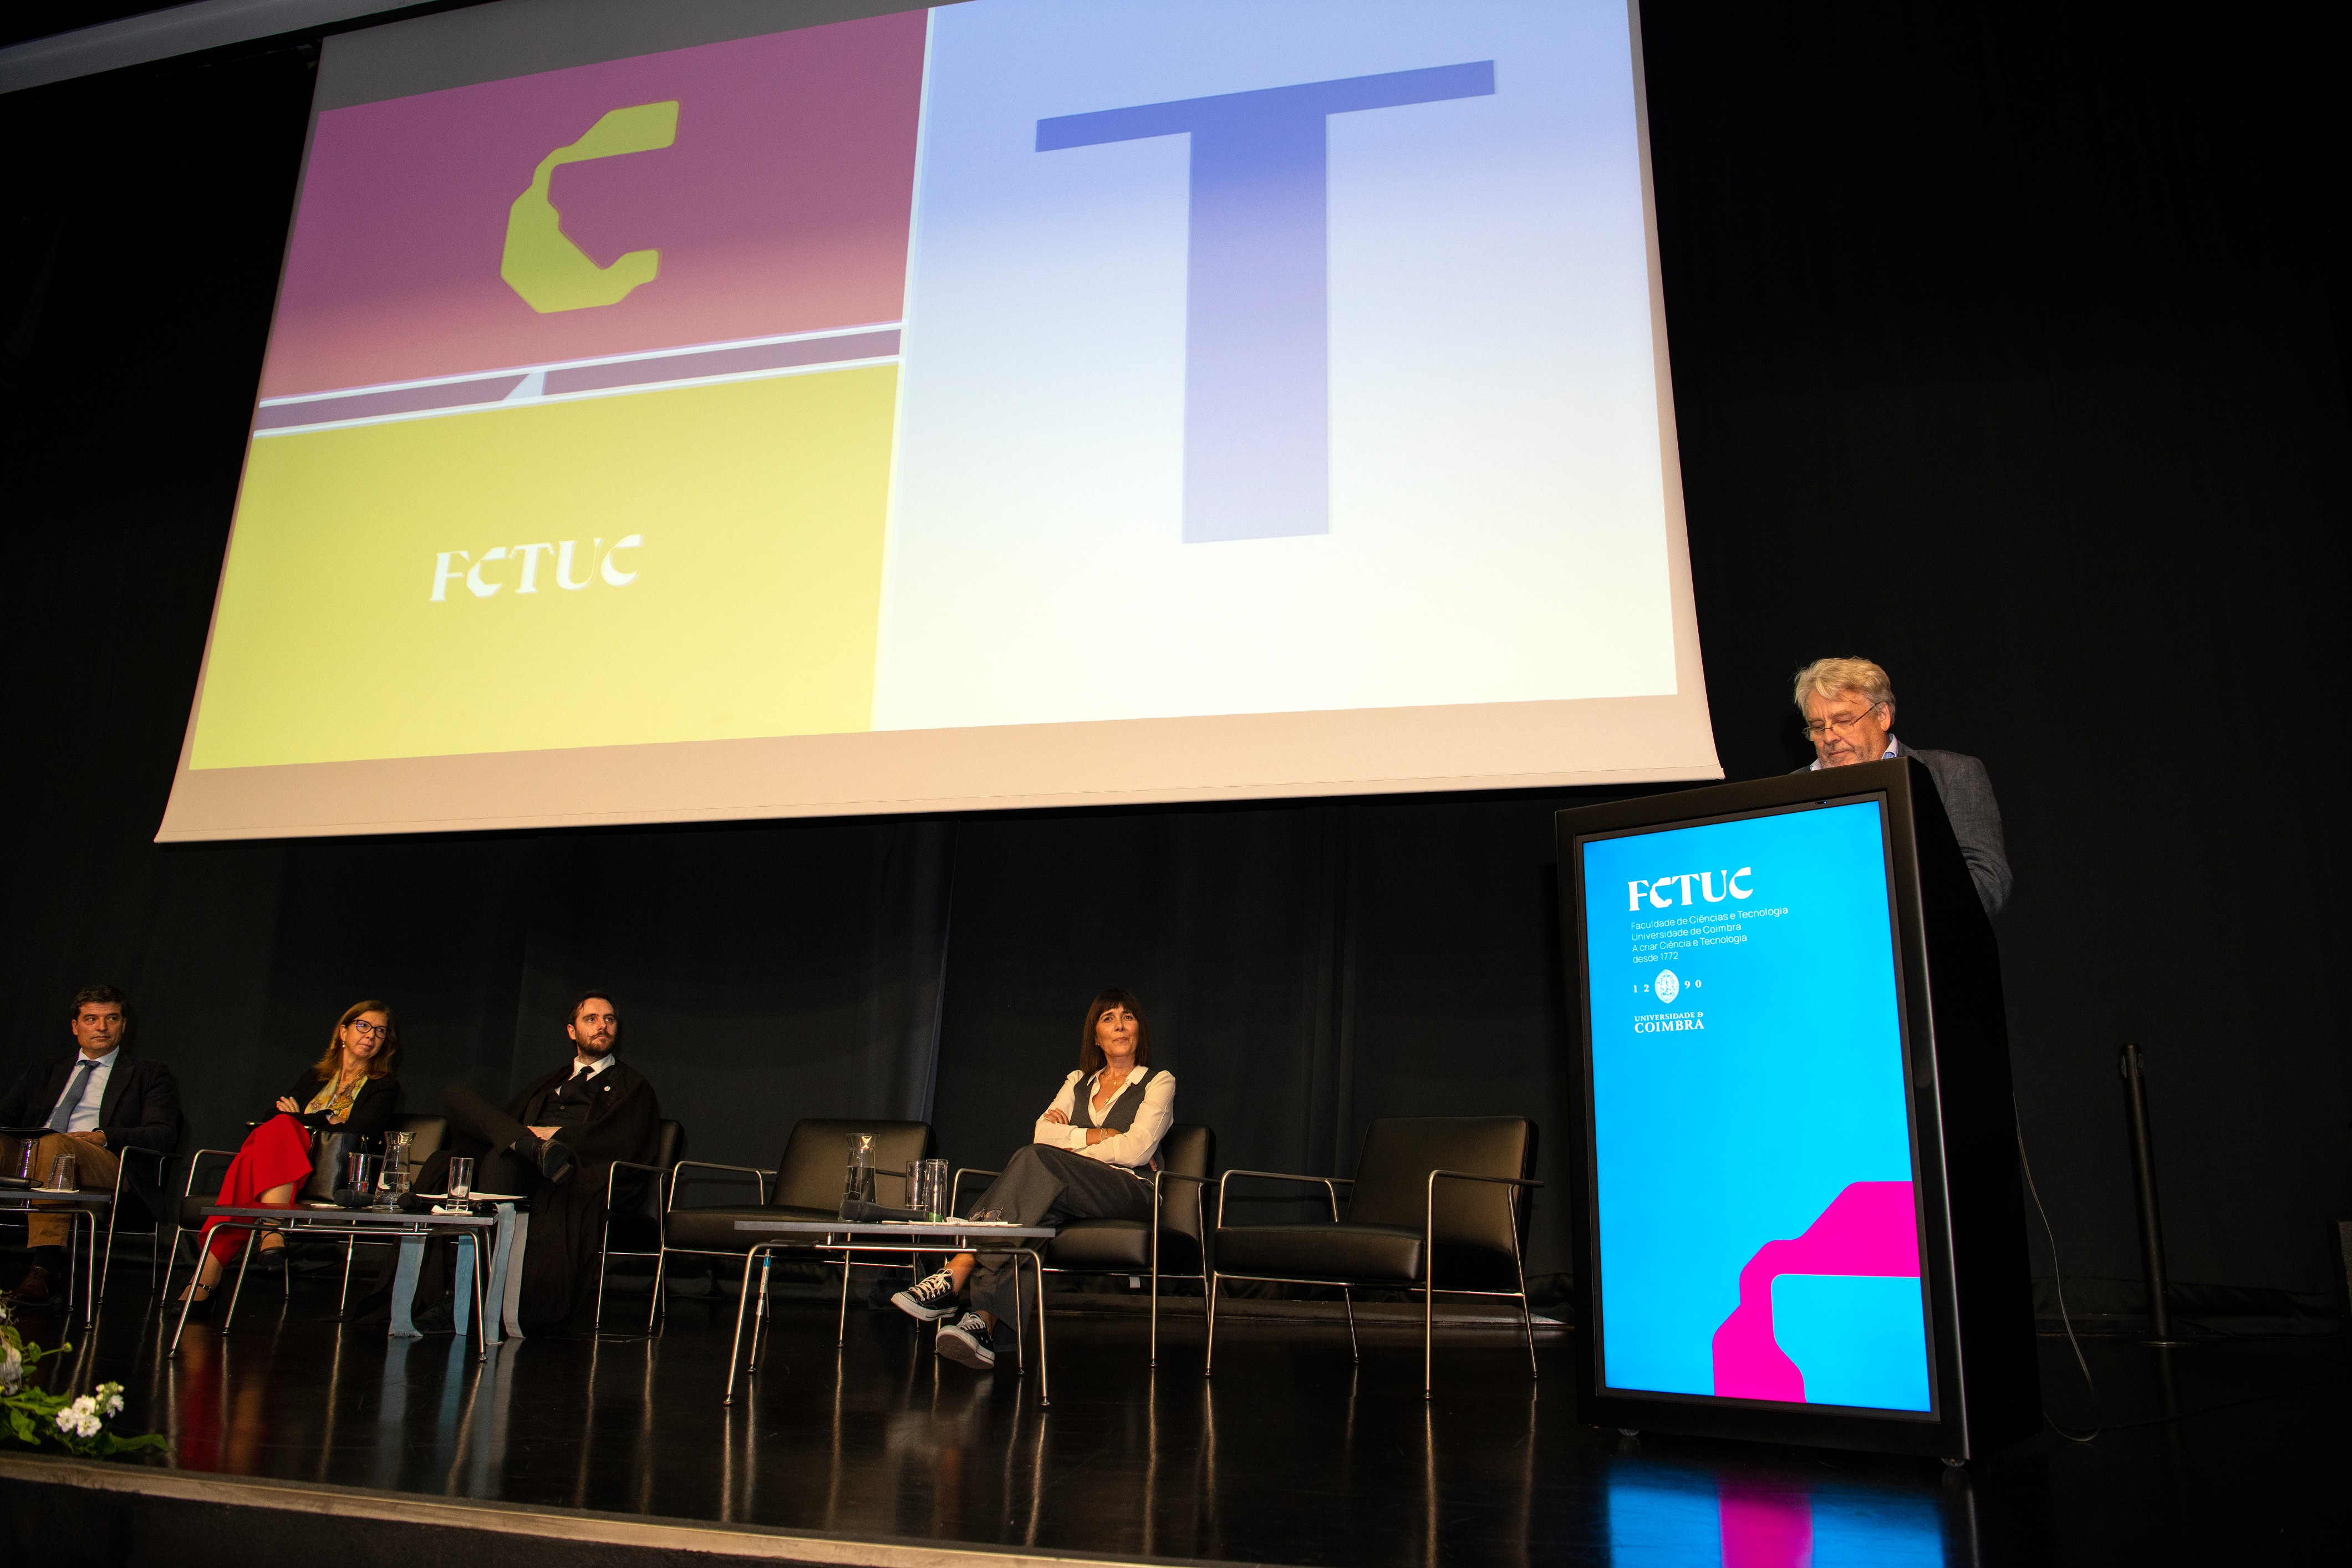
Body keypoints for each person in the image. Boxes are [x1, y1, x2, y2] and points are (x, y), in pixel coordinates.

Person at [893, 987, 1175, 1370]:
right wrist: (1100, 1136)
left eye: (1128, 1017)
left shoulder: (1158, 1082)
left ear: (1139, 1029)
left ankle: (959, 1266)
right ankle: (983, 1324)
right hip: (1070, 1193)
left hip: (1132, 1191)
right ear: (1096, 1036)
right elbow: (1042, 1134)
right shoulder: (1078, 1081)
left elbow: (1136, 1151)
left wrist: (1069, 1146)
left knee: (1037, 1163)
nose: (1120, 1026)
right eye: (1108, 1018)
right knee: (1032, 1219)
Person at [410, 991, 659, 1331]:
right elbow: (505, 1119)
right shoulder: (550, 1082)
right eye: (592, 1019)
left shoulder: (633, 1086)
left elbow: (622, 1141)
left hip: (569, 1169)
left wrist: (554, 1136)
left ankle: (467, 1299)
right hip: (525, 1161)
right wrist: (525, 1140)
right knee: (457, 1097)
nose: (602, 1026)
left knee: (502, 1159)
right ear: (572, 1031)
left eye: (609, 1019)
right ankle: (527, 1148)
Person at [177, 1000, 404, 1314]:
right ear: (343, 1032)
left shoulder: (384, 1087)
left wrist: (300, 1119)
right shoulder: (315, 1077)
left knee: (260, 1151)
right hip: (285, 1169)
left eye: (380, 1031)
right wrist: (324, 1119)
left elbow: (362, 1129)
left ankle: (209, 1277)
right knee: (276, 1131)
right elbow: (271, 1116)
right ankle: (271, 1228)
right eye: (363, 1026)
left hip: (330, 1174)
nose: (371, 1036)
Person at [0, 985, 181, 1306]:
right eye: (91, 1019)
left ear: (124, 1025)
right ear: (75, 1026)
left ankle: (46, 1269)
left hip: (106, 1161)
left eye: (112, 1019)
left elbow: (162, 1134)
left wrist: (104, 1136)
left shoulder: (149, 1074)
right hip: (32, 1155)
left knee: (56, 1145)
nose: (102, 1027)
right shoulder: (43, 1070)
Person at [1791, 656, 2013, 917]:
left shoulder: (1950, 774)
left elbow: (1987, 879)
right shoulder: (1792, 790)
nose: (1829, 737)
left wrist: (1905, 917)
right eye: (1818, 727)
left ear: (1882, 716)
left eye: (1843, 721)